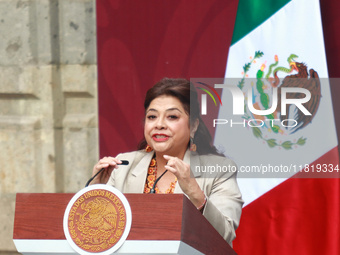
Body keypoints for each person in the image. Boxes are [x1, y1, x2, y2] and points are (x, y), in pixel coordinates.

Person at [90, 78, 243, 245]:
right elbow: (96, 234)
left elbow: (224, 236)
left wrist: (196, 194)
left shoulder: (220, 170)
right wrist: (94, 193)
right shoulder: (122, 165)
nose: (159, 124)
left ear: (193, 126)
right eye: (152, 116)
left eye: (172, 116)